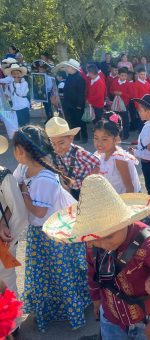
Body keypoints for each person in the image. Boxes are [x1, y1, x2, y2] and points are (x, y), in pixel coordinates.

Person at [42, 175, 150, 340]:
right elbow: (92, 273)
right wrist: (96, 299)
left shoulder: (149, 245)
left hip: (144, 322)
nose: (101, 243)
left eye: (108, 236)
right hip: (109, 318)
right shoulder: (92, 242)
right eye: (94, 237)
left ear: (125, 222)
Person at [12, 125, 90, 331]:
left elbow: (38, 212)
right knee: (48, 274)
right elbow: (16, 184)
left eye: (15, 149)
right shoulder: (24, 168)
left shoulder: (44, 178)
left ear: (21, 151)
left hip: (53, 234)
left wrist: (24, 194)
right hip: (41, 232)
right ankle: (53, 309)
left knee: (59, 273)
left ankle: (67, 310)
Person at [0, 135, 28, 332]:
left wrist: (9, 241)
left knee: (6, 284)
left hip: (3, 243)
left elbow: (18, 211)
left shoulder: (3, 176)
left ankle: (12, 329)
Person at [45, 116, 100, 200]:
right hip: (71, 190)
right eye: (54, 144)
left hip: (86, 191)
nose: (58, 148)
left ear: (71, 138)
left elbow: (97, 163)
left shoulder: (80, 153)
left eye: (61, 143)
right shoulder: (56, 155)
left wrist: (90, 183)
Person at [94, 112, 141, 194]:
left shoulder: (119, 159)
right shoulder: (99, 155)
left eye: (104, 139)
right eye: (96, 138)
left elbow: (130, 188)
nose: (99, 143)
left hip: (123, 201)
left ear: (115, 139)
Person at [61, 59, 87, 143]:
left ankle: (84, 137)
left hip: (77, 104)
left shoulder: (79, 78)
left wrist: (79, 105)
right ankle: (76, 136)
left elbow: (81, 92)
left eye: (68, 67)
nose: (67, 68)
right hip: (69, 103)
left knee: (80, 121)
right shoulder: (69, 76)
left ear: (73, 68)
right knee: (72, 121)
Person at [110, 67, 131, 140]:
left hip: (125, 104)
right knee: (116, 119)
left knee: (125, 120)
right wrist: (114, 92)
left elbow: (130, 95)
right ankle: (117, 134)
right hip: (116, 105)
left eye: (125, 76)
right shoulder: (115, 82)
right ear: (118, 75)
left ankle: (126, 134)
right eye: (122, 75)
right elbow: (111, 90)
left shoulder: (128, 84)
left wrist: (122, 94)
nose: (124, 77)